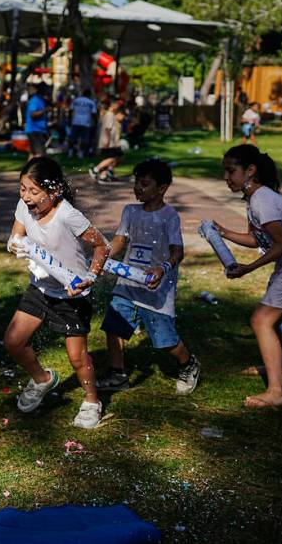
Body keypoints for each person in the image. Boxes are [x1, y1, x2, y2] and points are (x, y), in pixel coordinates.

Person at [213, 145, 282, 409]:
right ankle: (279, 368)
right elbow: (258, 238)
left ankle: (277, 392)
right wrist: (222, 231)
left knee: (261, 320)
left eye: (231, 171)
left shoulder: (262, 199)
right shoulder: (255, 198)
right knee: (269, 321)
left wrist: (248, 268)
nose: (226, 177)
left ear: (250, 170)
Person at [4, 157, 109, 429]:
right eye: (23, 189)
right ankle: (42, 380)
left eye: (34, 191)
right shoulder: (24, 207)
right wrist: (14, 244)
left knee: (77, 357)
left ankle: (91, 400)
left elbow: (101, 247)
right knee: (13, 341)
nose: (27, 197)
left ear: (55, 191)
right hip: (40, 288)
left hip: (71, 295)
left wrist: (90, 276)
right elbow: (16, 235)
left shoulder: (68, 216)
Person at [96, 158, 201, 395]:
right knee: (113, 326)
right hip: (127, 282)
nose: (137, 188)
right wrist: (103, 256)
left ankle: (188, 363)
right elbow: (120, 240)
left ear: (162, 188)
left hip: (155, 288)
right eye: (136, 182)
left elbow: (178, 251)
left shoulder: (169, 216)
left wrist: (163, 268)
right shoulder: (130, 211)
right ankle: (117, 374)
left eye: (143, 184)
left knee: (165, 340)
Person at [89, 100, 124, 184]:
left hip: (112, 141)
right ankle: (95, 170)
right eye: (117, 106)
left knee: (116, 157)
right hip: (109, 141)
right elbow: (107, 128)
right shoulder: (109, 115)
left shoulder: (111, 115)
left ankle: (104, 175)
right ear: (113, 105)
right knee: (111, 158)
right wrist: (107, 141)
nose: (118, 108)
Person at [67, 89, 97, 159]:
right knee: (84, 139)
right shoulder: (91, 102)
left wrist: (69, 120)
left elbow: (70, 110)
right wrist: (96, 122)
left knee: (72, 138)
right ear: (89, 95)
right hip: (86, 123)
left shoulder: (76, 100)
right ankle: (80, 152)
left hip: (75, 121)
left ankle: (70, 152)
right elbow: (94, 114)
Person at [24, 82, 49, 158]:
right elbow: (32, 114)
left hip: (37, 130)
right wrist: (45, 110)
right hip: (35, 130)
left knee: (33, 153)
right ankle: (38, 169)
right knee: (40, 154)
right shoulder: (35, 100)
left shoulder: (40, 100)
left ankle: (28, 169)